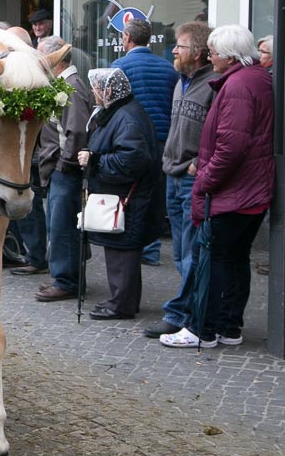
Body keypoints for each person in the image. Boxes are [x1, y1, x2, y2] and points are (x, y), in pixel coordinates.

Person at [160, 25, 274, 348]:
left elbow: (232, 146)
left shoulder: (238, 85)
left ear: (228, 55)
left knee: (211, 259)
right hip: (248, 190)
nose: (210, 57)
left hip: (233, 191)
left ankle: (202, 329)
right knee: (234, 259)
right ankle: (228, 327)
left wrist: (204, 180)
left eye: (213, 52)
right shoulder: (254, 79)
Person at [141, 22, 216, 338]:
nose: (173, 50)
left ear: (197, 53)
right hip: (172, 173)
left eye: (180, 46)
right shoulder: (179, 82)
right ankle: (187, 310)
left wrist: (197, 164)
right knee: (182, 251)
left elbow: (220, 134)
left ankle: (183, 314)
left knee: (190, 251)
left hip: (190, 177)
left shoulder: (213, 85)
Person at [76, 68, 160, 320]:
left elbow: (132, 160)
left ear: (109, 91)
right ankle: (122, 300)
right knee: (121, 251)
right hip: (123, 196)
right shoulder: (120, 113)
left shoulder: (125, 117)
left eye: (97, 88)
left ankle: (121, 304)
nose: (93, 92)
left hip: (128, 198)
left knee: (123, 252)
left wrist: (95, 160)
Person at [111, 18, 176, 268]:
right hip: (162, 139)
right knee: (156, 195)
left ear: (127, 38)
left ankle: (137, 245)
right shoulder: (168, 68)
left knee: (134, 194)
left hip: (134, 139)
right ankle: (152, 247)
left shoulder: (120, 66)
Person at [33, 37, 93, 302]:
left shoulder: (71, 87)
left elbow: (77, 131)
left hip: (64, 170)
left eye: (39, 56)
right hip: (60, 168)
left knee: (62, 226)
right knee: (59, 225)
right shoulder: (64, 85)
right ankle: (65, 277)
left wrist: (64, 165)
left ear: (53, 58)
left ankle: (67, 280)